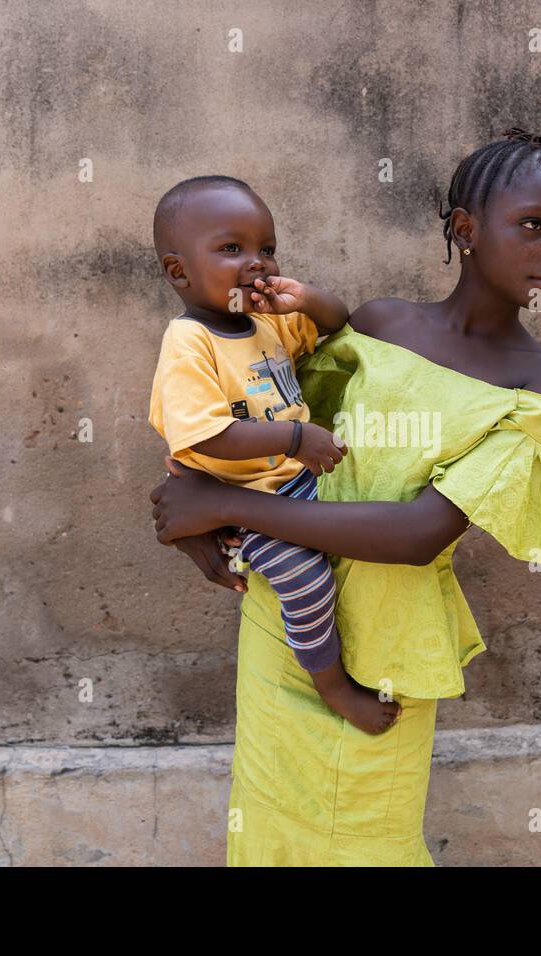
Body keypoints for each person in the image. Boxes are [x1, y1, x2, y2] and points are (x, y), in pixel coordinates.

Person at [149, 128, 541, 865]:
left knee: (368, 844)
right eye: (534, 226)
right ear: (466, 231)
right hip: (284, 619)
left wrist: (224, 511)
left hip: (383, 650)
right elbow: (262, 424)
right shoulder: (377, 325)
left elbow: (420, 534)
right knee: (269, 830)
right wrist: (190, 502)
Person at [147, 175, 401, 734]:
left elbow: (340, 326)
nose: (256, 263)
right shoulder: (189, 342)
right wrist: (293, 437)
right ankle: (333, 686)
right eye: (231, 249)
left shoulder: (270, 322)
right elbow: (207, 437)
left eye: (267, 249)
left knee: (377, 511)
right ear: (178, 271)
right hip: (242, 500)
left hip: (297, 481)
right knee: (305, 581)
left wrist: (305, 298)